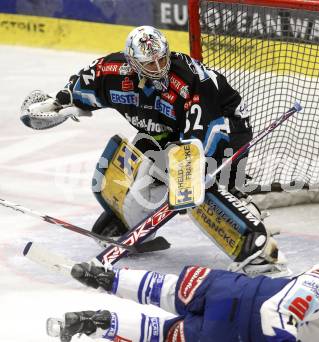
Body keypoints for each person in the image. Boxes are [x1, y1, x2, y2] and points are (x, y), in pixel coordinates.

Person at [20, 25, 288, 276]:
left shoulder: (189, 81)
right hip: (166, 127)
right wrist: (55, 105)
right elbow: (78, 90)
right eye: (150, 63)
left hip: (225, 126)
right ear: (132, 62)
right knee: (143, 157)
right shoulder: (111, 71)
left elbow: (204, 130)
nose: (159, 67)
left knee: (196, 186)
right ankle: (129, 222)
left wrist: (188, 173)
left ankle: (256, 247)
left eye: (162, 59)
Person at [46, 219, 319, 342]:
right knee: (168, 307)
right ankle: (104, 281)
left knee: (167, 331)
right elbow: (277, 312)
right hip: (239, 314)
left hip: (231, 302)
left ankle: (96, 319)